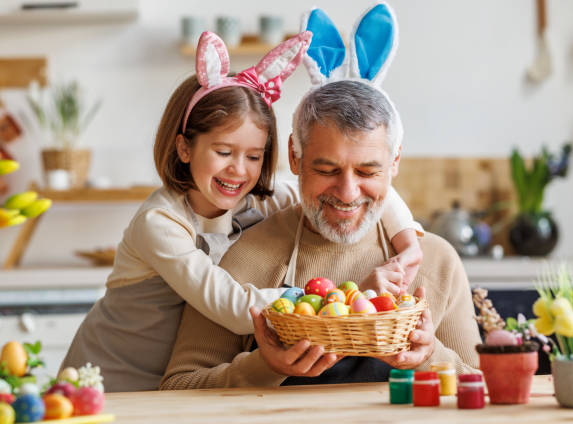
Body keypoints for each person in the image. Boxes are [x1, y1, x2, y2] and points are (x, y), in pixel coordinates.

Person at [60, 32, 423, 392]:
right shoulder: (160, 223)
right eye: (223, 152)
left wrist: (408, 243)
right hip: (106, 381)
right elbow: (234, 308)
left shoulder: (263, 199)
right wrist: (346, 300)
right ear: (184, 147)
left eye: (254, 156)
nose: (239, 170)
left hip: (169, 388)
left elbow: (357, 186)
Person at [160, 80, 482, 390]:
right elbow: (178, 386)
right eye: (326, 171)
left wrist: (428, 357)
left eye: (368, 172)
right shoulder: (247, 257)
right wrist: (263, 367)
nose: (347, 193)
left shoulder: (437, 262)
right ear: (294, 157)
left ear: (394, 160)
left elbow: (483, 389)